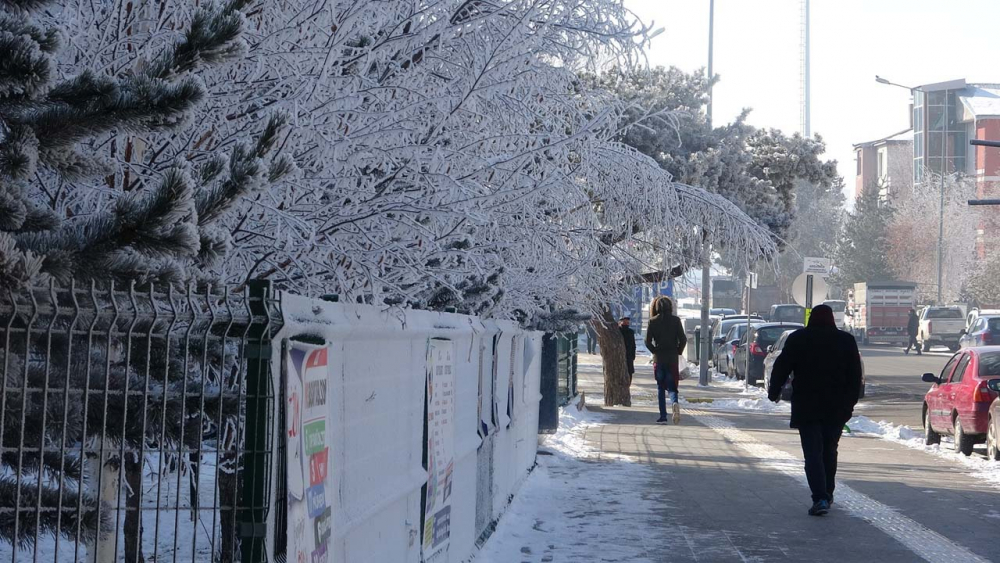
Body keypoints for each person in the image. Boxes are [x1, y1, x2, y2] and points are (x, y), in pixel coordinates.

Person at [768, 304, 863, 517]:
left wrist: (774, 391)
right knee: (829, 450)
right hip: (836, 407)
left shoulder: (798, 339)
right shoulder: (845, 341)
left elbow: (782, 366)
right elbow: (855, 377)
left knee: (813, 453)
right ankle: (827, 494)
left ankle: (819, 497)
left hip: (807, 405)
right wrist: (850, 404)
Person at [645, 297, 687, 424]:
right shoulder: (676, 321)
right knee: (672, 386)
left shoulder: (652, 321)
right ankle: (674, 402)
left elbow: (647, 341)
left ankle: (663, 416)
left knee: (660, 387)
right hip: (672, 358)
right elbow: (683, 339)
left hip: (659, 358)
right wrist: (678, 351)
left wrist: (654, 351)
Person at [619, 317, 637, 386]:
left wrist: (633, 355)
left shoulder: (630, 332)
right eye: (624, 321)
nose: (626, 322)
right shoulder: (618, 331)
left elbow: (633, 344)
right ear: (621, 322)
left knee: (629, 373)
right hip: (620, 356)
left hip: (629, 356)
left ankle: (627, 386)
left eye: (627, 321)